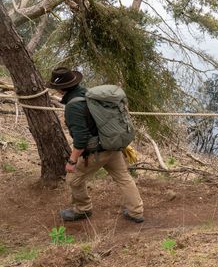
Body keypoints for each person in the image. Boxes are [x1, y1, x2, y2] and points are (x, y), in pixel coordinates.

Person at [46, 67, 144, 223]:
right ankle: (136, 212)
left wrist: (72, 161)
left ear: (61, 88)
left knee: (73, 179)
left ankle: (82, 209)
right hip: (111, 145)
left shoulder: (73, 106)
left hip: (97, 151)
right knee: (123, 178)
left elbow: (81, 139)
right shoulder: (89, 94)